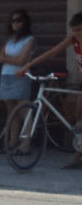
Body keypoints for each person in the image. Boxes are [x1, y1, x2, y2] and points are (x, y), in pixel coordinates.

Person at [16, 11, 82, 169]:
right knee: (78, 118)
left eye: (80, 30)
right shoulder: (73, 40)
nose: (76, 34)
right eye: (74, 30)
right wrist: (27, 66)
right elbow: (52, 52)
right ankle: (78, 156)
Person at [0, 9, 35, 148]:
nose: (15, 23)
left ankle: (26, 143)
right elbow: (0, 58)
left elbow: (22, 61)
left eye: (19, 20)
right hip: (6, 76)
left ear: (25, 23)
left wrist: (6, 59)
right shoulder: (9, 40)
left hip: (20, 76)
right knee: (11, 111)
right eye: (13, 20)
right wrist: (10, 59)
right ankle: (13, 141)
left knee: (24, 109)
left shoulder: (29, 40)